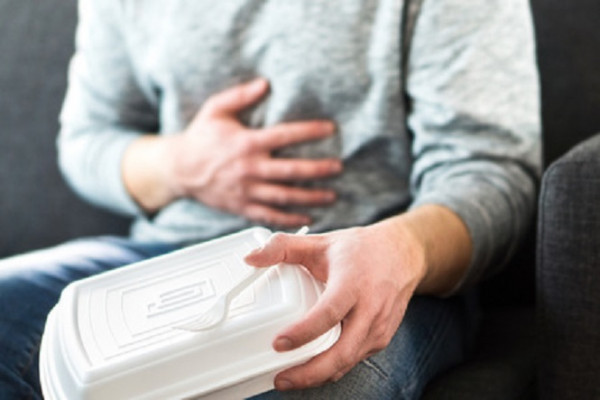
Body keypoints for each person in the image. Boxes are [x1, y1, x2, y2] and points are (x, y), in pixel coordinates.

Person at [0, 0, 540, 399]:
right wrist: (181, 164)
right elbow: (88, 139)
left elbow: (492, 174)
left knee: (307, 382)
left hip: (370, 267)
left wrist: (402, 247)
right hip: (168, 258)